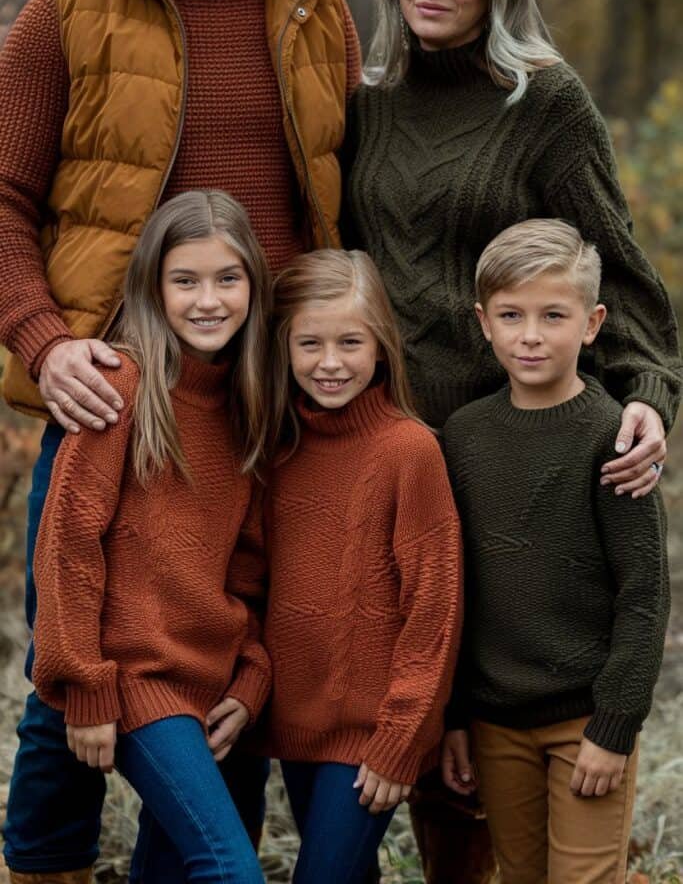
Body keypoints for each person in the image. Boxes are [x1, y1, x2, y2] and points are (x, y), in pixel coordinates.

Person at [0, 0, 360, 879]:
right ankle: (43, 867)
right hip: (114, 391)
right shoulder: (69, 3)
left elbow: (351, 191)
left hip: (267, 401)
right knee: (67, 669)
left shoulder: (313, 4)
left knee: (235, 645)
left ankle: (198, 857)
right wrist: (42, 334)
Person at [341, 0, 681, 880]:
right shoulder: (363, 97)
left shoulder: (545, 99)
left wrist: (647, 407)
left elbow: (623, 281)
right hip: (388, 452)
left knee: (499, 728)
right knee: (424, 748)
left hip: (510, 456)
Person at [28, 190, 272, 884]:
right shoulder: (123, 386)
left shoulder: (246, 405)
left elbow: (248, 570)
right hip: (137, 680)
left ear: (254, 285)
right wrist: (85, 688)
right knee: (231, 870)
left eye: (228, 279)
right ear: (152, 286)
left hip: (212, 683)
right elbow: (68, 546)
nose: (208, 300)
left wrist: (252, 676)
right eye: (185, 280)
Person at [440, 219, 670, 883]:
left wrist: (614, 725)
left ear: (591, 323)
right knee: (519, 875)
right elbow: (457, 588)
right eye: (511, 315)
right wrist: (455, 717)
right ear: (484, 323)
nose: (530, 335)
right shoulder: (462, 436)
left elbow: (644, 592)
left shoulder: (611, 436)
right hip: (494, 722)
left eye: (552, 315)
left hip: (584, 721)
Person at [262, 249, 463, 884]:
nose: (329, 362)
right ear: (283, 347)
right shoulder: (276, 444)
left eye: (351, 341)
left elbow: (435, 603)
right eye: (310, 343)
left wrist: (401, 737)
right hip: (294, 718)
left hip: (373, 728)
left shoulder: (409, 448)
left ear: (381, 344)